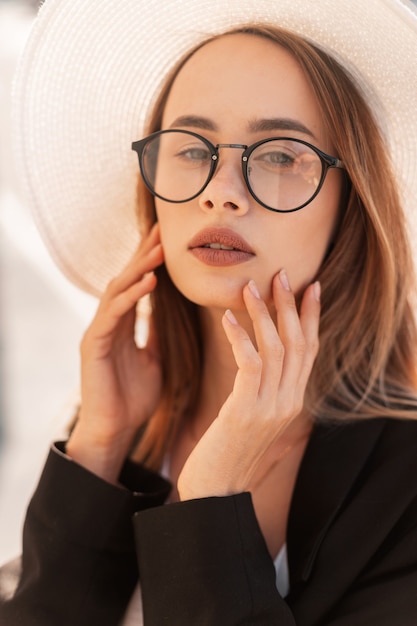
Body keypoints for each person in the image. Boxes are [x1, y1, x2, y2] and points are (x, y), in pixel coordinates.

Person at [1, 0, 417, 623]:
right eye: (192, 149)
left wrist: (212, 499)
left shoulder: (403, 483)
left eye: (280, 155)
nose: (222, 189)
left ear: (350, 204)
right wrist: (98, 450)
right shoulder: (118, 437)